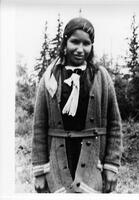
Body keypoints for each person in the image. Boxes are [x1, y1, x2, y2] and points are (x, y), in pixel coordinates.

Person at [32, 17, 123, 193]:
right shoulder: (49, 78)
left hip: (92, 163)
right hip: (58, 162)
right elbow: (39, 126)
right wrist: (39, 171)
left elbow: (115, 124)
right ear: (65, 42)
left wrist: (111, 165)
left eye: (86, 43)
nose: (80, 49)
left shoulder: (101, 77)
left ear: (91, 46)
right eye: (74, 42)